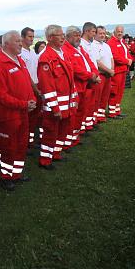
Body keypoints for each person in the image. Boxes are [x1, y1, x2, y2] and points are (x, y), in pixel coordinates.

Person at [0, 31, 36, 189]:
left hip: (23, 112)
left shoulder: (19, 60)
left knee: (21, 144)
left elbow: (27, 84)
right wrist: (24, 104)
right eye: (17, 41)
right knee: (9, 146)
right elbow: (1, 95)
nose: (20, 43)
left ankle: (16, 173)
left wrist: (31, 100)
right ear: (7, 44)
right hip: (9, 115)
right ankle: (5, 176)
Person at [37, 25, 76, 169]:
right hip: (55, 107)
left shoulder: (63, 53)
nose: (63, 37)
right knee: (50, 133)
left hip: (67, 104)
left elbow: (71, 80)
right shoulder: (46, 58)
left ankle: (56, 154)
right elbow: (47, 87)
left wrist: (74, 99)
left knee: (61, 132)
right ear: (49, 38)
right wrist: (55, 107)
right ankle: (45, 160)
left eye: (63, 34)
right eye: (59, 35)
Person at [62, 26, 100, 144]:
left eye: (79, 35)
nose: (78, 37)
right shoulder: (66, 49)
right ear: (67, 37)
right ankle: (68, 141)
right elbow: (74, 68)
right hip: (76, 87)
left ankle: (75, 137)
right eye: (75, 35)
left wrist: (95, 73)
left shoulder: (80, 48)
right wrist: (90, 76)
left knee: (81, 112)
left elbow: (90, 62)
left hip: (85, 85)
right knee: (73, 114)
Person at [20, 27, 41, 147]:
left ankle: (31, 140)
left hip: (36, 85)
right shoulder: (21, 53)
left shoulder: (32, 52)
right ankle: (25, 141)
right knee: (27, 117)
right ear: (23, 37)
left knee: (34, 117)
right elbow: (26, 75)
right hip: (29, 87)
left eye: (33, 36)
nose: (32, 39)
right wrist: (35, 89)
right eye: (29, 37)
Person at [107, 25, 133, 118]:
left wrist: (130, 60)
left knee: (120, 91)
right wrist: (127, 61)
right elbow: (115, 56)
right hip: (117, 71)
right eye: (118, 31)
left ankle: (117, 111)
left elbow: (128, 54)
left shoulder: (122, 42)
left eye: (121, 32)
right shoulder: (111, 42)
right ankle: (112, 112)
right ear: (114, 32)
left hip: (123, 70)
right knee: (114, 91)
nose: (120, 33)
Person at [94, 25, 115, 123]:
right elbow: (97, 62)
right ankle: (95, 117)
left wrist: (112, 69)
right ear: (95, 34)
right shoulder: (93, 45)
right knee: (98, 96)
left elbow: (111, 58)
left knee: (105, 96)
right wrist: (109, 71)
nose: (102, 35)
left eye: (104, 33)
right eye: (100, 33)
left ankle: (101, 115)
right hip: (101, 74)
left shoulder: (106, 45)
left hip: (108, 75)